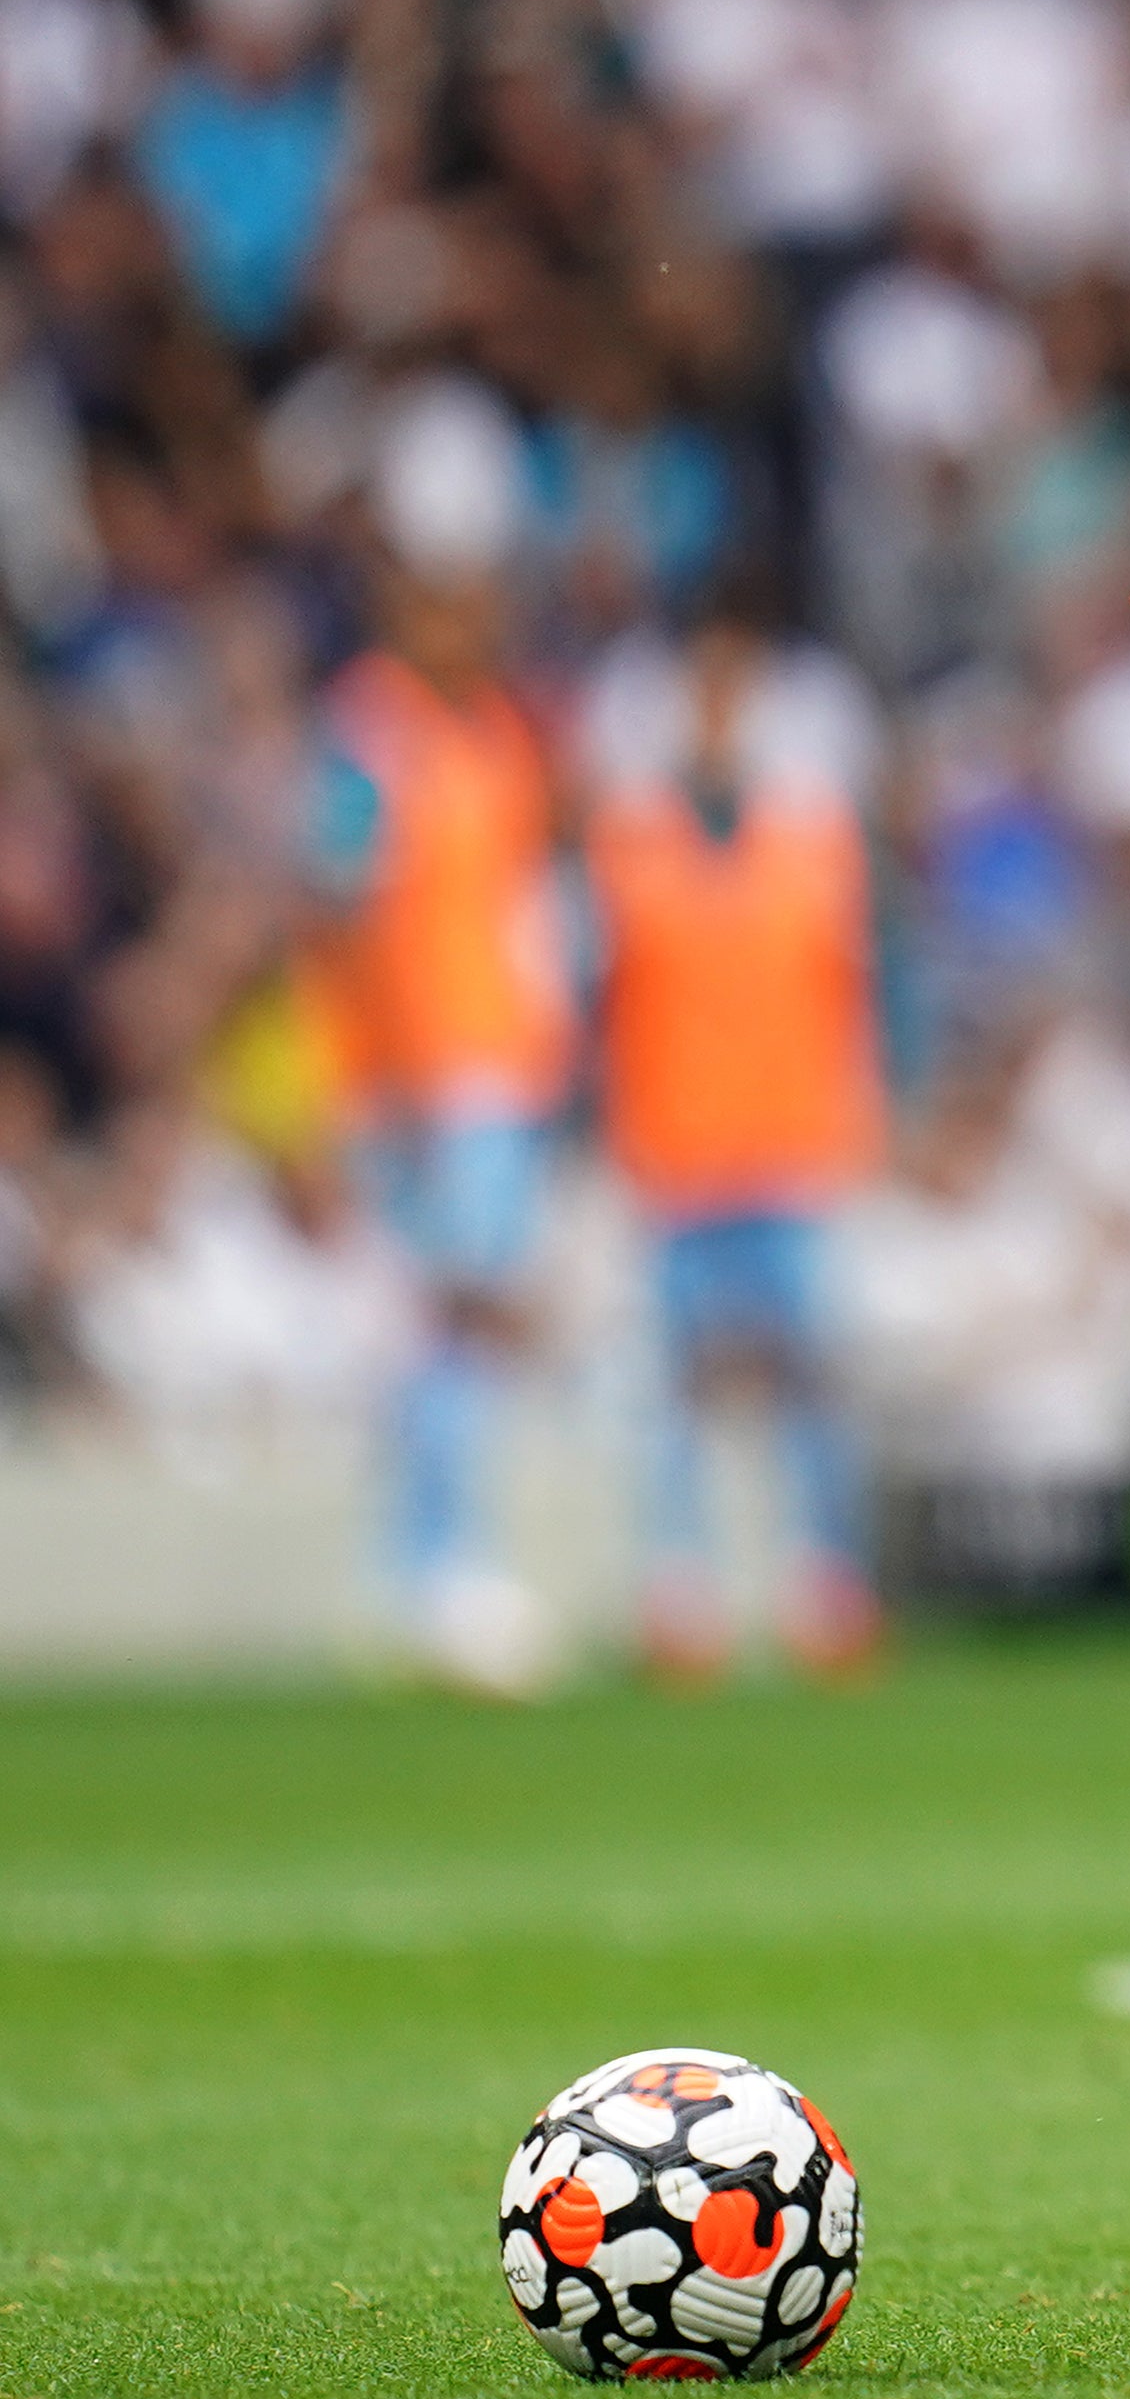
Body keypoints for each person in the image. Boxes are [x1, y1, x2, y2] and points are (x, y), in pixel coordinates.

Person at [582, 604, 889, 1686]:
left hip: (790, 1141)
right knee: (671, 1388)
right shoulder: (631, 838)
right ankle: (682, 1590)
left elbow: (850, 992)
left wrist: (861, 1121)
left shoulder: (812, 838)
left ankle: (824, 1583)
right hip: (674, 1145)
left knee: (811, 1380)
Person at [309, 547, 574, 1697]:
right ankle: (440, 1566)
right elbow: (343, 902)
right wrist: (394, 1073)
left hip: (495, 1060)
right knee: (445, 1321)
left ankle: (419, 1566)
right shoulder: (372, 729)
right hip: (424, 1076)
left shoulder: (498, 730)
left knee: (456, 1325)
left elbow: (513, 905)